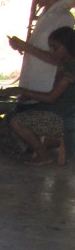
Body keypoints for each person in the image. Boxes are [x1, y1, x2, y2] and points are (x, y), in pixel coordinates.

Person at [9, 26, 75, 166]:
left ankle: (43, 154)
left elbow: (51, 97)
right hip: (60, 111)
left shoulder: (71, 68)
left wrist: (21, 90)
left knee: (17, 121)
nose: (51, 52)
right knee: (15, 114)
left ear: (67, 47)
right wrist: (28, 96)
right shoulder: (65, 65)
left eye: (55, 48)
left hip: (65, 117)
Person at [8, 0, 75, 93]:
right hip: (30, 84)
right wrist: (22, 47)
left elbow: (58, 59)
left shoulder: (63, 17)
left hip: (44, 88)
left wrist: (26, 47)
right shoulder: (44, 14)